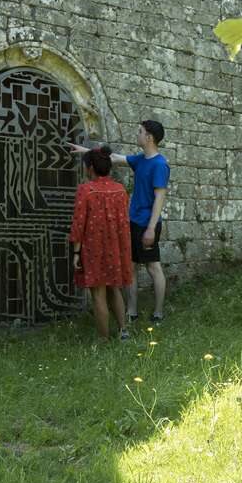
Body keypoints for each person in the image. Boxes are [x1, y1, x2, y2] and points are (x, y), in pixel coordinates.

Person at [69, 120, 170, 324]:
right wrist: (86, 152)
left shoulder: (160, 164)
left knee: (153, 267)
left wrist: (151, 228)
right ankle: (131, 311)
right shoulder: (140, 159)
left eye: (140, 132)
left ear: (149, 137)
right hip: (133, 221)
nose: (137, 134)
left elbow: (160, 197)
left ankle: (158, 313)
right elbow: (112, 158)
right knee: (130, 266)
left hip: (147, 223)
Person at [69, 146, 133, 341]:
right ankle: (123, 331)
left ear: (90, 168)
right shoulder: (120, 190)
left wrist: (76, 253)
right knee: (115, 288)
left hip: (93, 248)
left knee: (98, 294)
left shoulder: (86, 190)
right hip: (116, 247)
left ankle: (104, 339)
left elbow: (79, 223)